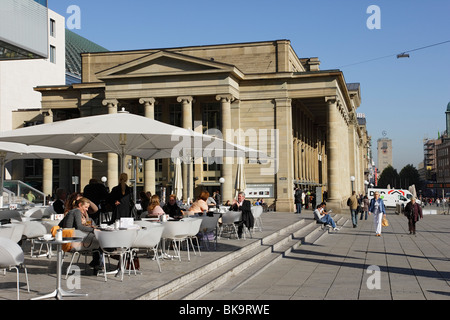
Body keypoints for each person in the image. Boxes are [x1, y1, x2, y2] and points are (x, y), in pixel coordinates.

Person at [58, 197, 101, 273]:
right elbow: (79, 227)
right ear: (80, 205)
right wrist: (93, 230)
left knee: (97, 241)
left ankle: (96, 263)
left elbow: (60, 224)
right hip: (75, 241)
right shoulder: (77, 211)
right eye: (86, 207)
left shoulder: (72, 212)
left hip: (70, 239)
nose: (87, 209)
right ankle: (98, 265)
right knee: (100, 241)